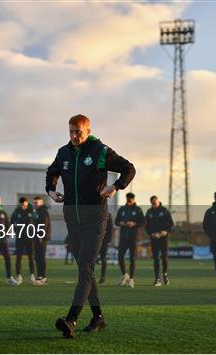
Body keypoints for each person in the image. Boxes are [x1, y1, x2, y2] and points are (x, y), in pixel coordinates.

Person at [46, 114, 135, 338]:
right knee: (85, 269)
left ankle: (71, 319)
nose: (74, 136)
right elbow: (52, 172)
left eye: (78, 132)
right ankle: (98, 316)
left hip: (95, 218)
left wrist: (116, 186)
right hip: (72, 219)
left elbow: (129, 168)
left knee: (85, 267)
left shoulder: (100, 151)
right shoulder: (63, 153)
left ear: (88, 131)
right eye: (71, 132)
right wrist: (51, 190)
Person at [114, 193, 145, 288]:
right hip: (123, 237)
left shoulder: (138, 210)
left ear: (133, 199)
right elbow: (116, 222)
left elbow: (143, 222)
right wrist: (122, 223)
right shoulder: (122, 209)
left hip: (133, 238)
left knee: (132, 259)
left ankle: (131, 279)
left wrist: (134, 224)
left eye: (130, 200)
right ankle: (125, 275)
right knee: (120, 257)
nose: (128, 201)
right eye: (127, 199)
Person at [145, 195, 174, 286]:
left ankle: (165, 274)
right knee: (156, 258)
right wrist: (151, 233)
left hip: (163, 239)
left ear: (158, 201)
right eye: (152, 202)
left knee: (164, 258)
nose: (154, 203)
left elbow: (171, 224)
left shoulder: (164, 211)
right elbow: (146, 226)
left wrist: (166, 231)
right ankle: (157, 278)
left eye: (155, 202)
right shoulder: (149, 212)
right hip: (154, 239)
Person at [11, 197, 36, 285]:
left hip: (30, 238)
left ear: (26, 202)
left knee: (31, 257)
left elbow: (36, 223)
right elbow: (12, 223)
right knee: (18, 257)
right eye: (21, 203)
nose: (23, 205)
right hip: (20, 238)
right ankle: (19, 276)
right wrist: (16, 231)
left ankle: (32, 275)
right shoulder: (16, 211)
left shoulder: (31, 211)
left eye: (24, 203)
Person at [32, 196, 50, 285]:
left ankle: (43, 277)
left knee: (41, 257)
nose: (35, 204)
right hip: (36, 238)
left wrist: (40, 237)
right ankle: (39, 275)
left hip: (41, 239)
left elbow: (44, 225)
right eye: (34, 202)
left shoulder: (43, 212)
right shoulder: (37, 212)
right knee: (37, 257)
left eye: (36, 203)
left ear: (41, 203)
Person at [98, 213, 113, 284]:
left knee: (103, 258)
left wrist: (108, 240)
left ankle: (102, 277)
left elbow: (110, 227)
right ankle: (90, 277)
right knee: (91, 259)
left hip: (104, 240)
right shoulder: (93, 212)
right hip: (94, 239)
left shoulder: (107, 214)